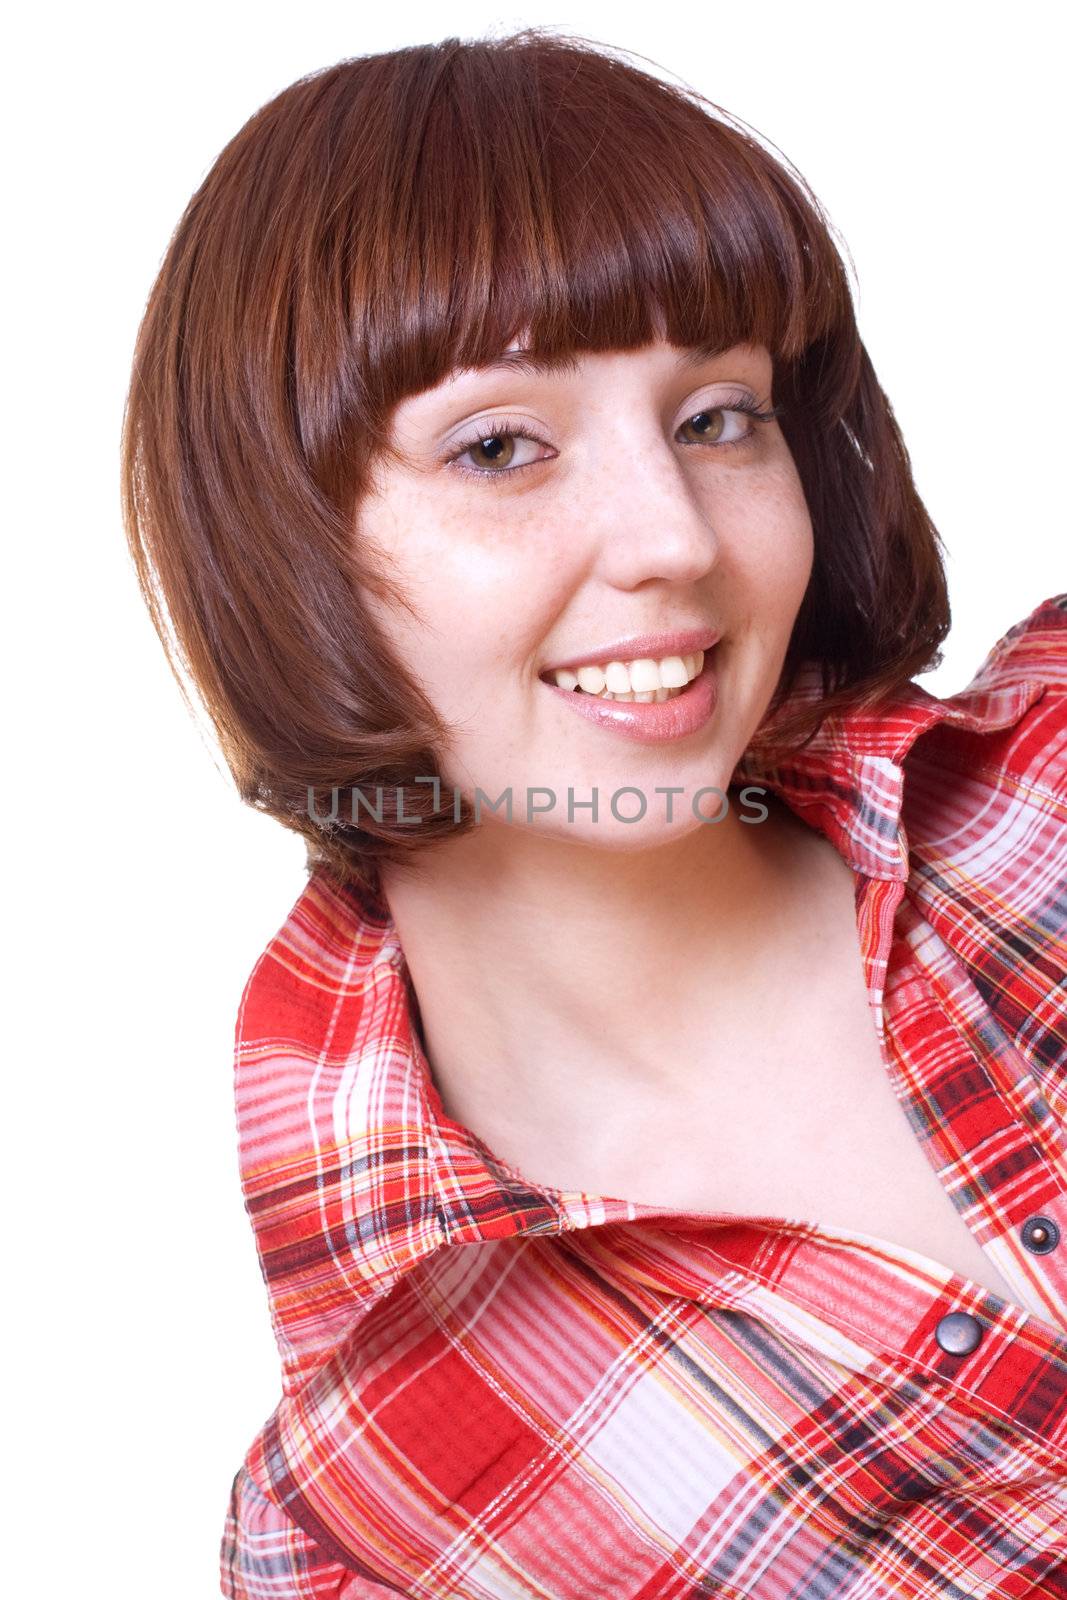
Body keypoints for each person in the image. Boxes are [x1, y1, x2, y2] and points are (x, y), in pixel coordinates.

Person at [119, 26, 1067, 1599]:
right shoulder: (374, 1528)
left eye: (717, 418)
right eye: (500, 447)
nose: (672, 540)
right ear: (277, 547)